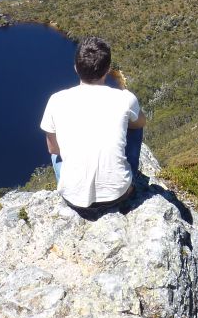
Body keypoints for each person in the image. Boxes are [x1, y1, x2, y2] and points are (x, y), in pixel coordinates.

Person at [39, 36, 147, 212]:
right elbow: (141, 122)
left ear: (76, 68)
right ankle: (128, 180)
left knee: (55, 153)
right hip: (119, 194)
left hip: (72, 197)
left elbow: (53, 149)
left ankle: (73, 184)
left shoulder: (56, 101)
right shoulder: (125, 98)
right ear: (108, 69)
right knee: (135, 126)